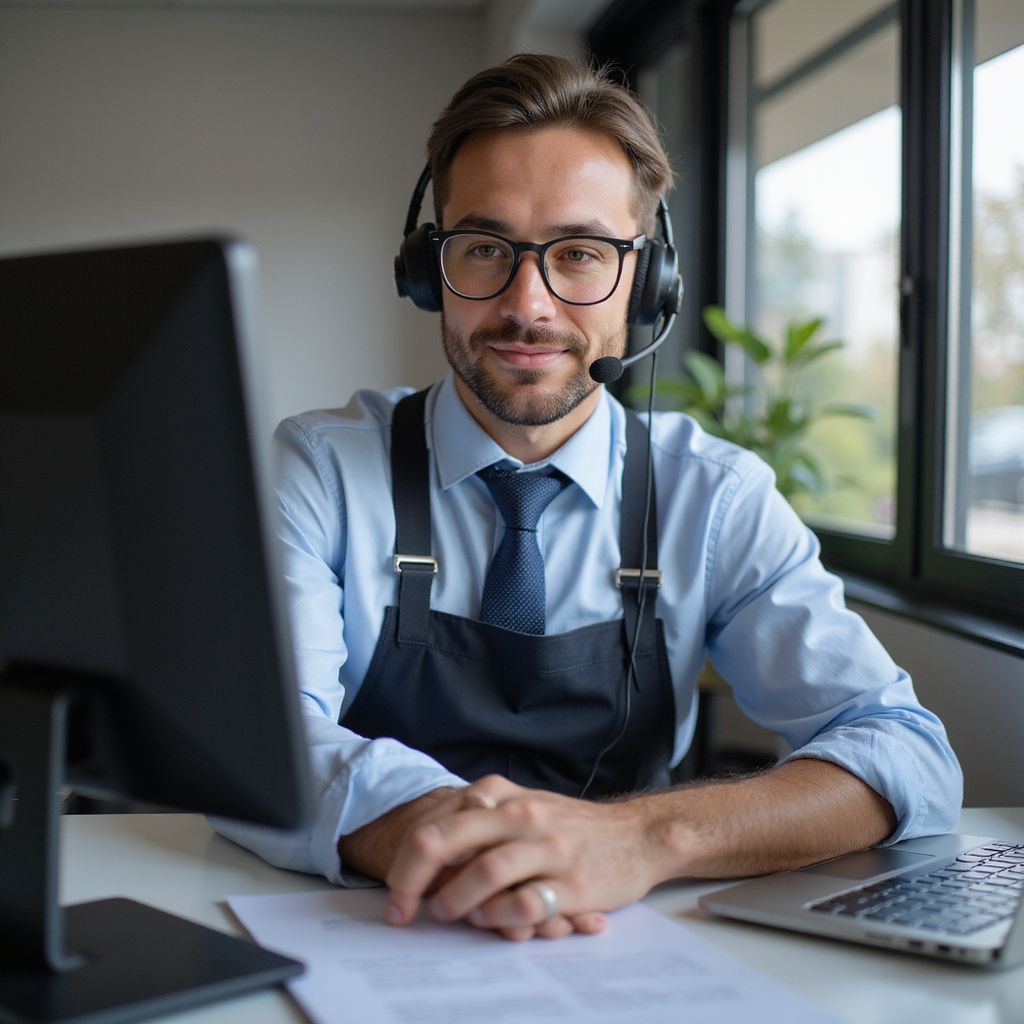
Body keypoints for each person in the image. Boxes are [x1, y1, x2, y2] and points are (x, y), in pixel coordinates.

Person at [215, 53, 961, 943]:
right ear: (428, 270)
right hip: (376, 927)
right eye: (485, 249)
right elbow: (257, 745)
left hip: (623, 947)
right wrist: (445, 833)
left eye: (579, 254)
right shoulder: (322, 472)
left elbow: (902, 747)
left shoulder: (713, 496)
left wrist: (642, 837)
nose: (528, 304)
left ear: (646, 284)